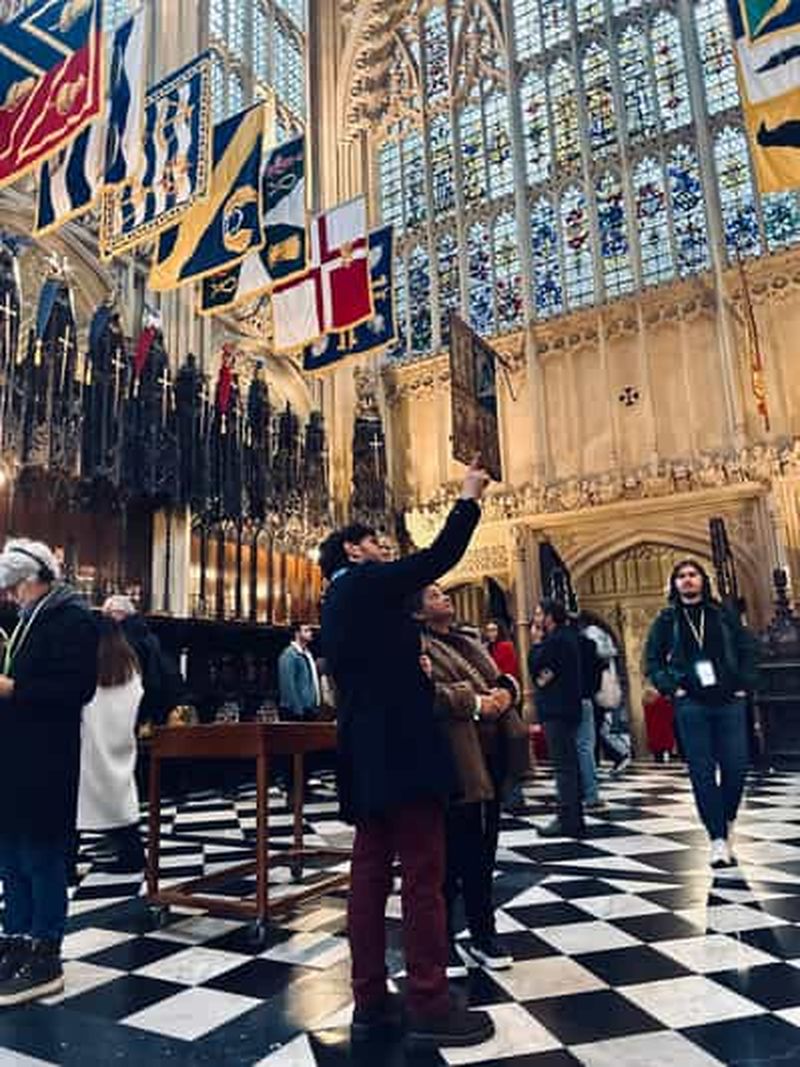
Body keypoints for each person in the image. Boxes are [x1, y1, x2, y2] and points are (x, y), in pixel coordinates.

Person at [319, 460, 494, 1051]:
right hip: (404, 748)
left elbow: (368, 668)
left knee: (368, 875)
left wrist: (410, 666)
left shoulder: (337, 601)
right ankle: (428, 999)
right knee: (423, 874)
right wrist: (469, 496)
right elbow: (438, 557)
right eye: (373, 540)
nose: (383, 547)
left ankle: (370, 1000)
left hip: (364, 752)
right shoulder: (368, 583)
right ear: (352, 549)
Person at [0, 539, 98, 1006]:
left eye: (15, 587)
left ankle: (45, 952)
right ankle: (16, 940)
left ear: (34, 579)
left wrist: (12, 688)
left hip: (46, 757)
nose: (11, 596)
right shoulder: (25, 620)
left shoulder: (72, 616)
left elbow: (76, 688)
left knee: (41, 855)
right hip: (14, 756)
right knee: (11, 855)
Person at [414, 584, 523, 975]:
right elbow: (425, 695)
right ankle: (443, 939)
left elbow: (505, 680)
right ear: (419, 611)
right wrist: (478, 702)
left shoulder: (469, 640)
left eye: (444, 592)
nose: (444, 598)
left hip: (494, 752)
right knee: (452, 852)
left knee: (484, 848)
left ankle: (483, 932)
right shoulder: (416, 644)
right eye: (433, 595)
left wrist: (505, 695)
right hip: (456, 756)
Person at [645, 559, 758, 868]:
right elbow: (652, 659)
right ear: (674, 584)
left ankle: (726, 819)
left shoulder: (723, 614)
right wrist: (672, 688)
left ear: (702, 580)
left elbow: (748, 648)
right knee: (702, 771)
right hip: (691, 703)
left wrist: (744, 685)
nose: (687, 580)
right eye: (681, 576)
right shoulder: (667, 619)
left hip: (729, 701)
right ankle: (718, 839)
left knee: (736, 766)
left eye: (692, 575)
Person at [77, 619, 145, 873]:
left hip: (90, 743)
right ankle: (132, 855)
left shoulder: (89, 666)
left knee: (76, 804)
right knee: (121, 800)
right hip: (121, 740)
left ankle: (66, 863)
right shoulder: (130, 666)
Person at [529, 598, 584, 839]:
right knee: (569, 765)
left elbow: (538, 671)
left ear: (550, 616)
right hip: (569, 708)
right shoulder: (569, 636)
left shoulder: (555, 641)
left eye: (539, 613)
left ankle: (567, 819)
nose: (536, 618)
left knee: (563, 767)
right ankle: (574, 817)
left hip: (556, 709)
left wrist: (536, 644)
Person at [102, 595, 182, 727]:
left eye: (108, 614)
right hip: (153, 693)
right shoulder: (145, 631)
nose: (105, 619)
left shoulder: (123, 638)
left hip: (134, 694)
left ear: (119, 613)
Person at [576, 628, 604, 810]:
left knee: (577, 749)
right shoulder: (588, 644)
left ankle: (582, 794)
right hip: (586, 698)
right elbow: (598, 671)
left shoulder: (559, 643)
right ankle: (591, 793)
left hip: (568, 700)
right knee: (585, 747)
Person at [277, 622, 321, 720]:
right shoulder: (290, 654)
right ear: (297, 634)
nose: (310, 633)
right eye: (306, 631)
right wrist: (298, 710)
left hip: (309, 708)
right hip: (296, 710)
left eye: (310, 630)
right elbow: (288, 684)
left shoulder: (307, 653)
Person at [643, 686, 676, 763]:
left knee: (657, 751)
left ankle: (658, 760)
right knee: (666, 746)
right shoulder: (661, 701)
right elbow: (669, 713)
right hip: (664, 729)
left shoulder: (646, 703)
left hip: (652, 730)